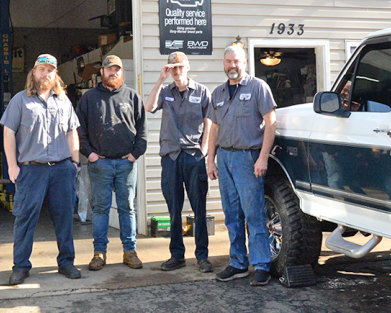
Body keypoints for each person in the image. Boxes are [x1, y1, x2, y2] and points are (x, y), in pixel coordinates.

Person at [0, 53, 81, 285]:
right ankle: (21, 266)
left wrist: (75, 163)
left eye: (50, 71)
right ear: (34, 72)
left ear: (56, 75)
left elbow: (71, 132)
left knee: (64, 217)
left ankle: (66, 262)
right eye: (42, 69)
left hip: (61, 169)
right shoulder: (20, 100)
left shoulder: (64, 101)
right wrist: (12, 166)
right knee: (25, 218)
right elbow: (8, 133)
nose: (46, 74)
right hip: (31, 170)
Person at [206, 45, 277, 287]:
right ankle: (238, 263)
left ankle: (261, 265)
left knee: (253, 214)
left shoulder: (258, 87)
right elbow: (214, 129)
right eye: (228, 61)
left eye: (236, 61)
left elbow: (271, 123)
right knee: (231, 215)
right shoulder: (218, 93)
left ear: (244, 63)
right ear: (223, 64)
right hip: (225, 158)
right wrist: (210, 160)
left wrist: (263, 157)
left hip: (248, 159)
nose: (232, 65)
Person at [77, 55, 147, 271]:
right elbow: (79, 130)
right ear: (102, 72)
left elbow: (142, 130)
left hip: (126, 164)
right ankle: (99, 253)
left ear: (122, 72)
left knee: (127, 209)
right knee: (100, 210)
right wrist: (90, 154)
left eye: (117, 69)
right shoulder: (89, 98)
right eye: (109, 69)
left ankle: (130, 251)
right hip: (100, 165)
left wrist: (135, 154)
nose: (113, 73)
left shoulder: (132, 97)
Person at [145, 52, 213, 273]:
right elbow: (149, 107)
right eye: (173, 67)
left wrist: (204, 151)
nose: (177, 71)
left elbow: (209, 123)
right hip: (171, 157)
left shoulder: (202, 91)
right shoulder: (165, 91)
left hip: (193, 156)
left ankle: (202, 256)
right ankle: (177, 255)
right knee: (174, 209)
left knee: (199, 208)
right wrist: (160, 79)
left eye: (180, 67)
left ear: (188, 67)